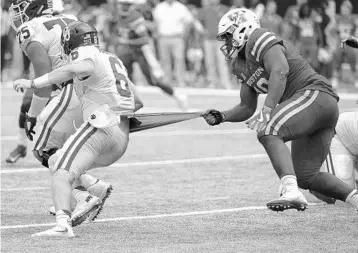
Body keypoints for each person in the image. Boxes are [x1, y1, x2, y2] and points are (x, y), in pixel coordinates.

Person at [202, 8, 358, 212]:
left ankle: (291, 191)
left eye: (228, 36)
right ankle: (354, 199)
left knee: (268, 130)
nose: (227, 42)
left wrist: (267, 110)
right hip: (311, 106)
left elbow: (280, 69)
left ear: (243, 29)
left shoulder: (258, 37)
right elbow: (246, 106)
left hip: (314, 94)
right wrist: (223, 116)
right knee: (306, 175)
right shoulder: (240, 64)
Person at [13, 20, 143, 237]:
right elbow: (137, 101)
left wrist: (33, 83)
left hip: (101, 127)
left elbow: (80, 67)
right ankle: (92, 190)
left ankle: (63, 224)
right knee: (58, 160)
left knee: (60, 171)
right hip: (120, 139)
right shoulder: (111, 58)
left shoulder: (83, 54)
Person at [8, 0, 113, 222]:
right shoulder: (72, 19)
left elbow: (43, 80)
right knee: (60, 148)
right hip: (91, 90)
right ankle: (93, 186)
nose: (16, 17)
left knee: (43, 149)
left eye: (19, 11)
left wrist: (33, 114)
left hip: (70, 88)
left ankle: (81, 195)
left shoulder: (30, 29)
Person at [108, 0, 188, 110]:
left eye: (125, 5)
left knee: (153, 80)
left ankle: (177, 95)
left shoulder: (135, 17)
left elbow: (144, 40)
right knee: (122, 78)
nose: (122, 7)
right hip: (127, 51)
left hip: (140, 51)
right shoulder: (118, 15)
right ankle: (125, 104)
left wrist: (126, 42)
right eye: (121, 4)